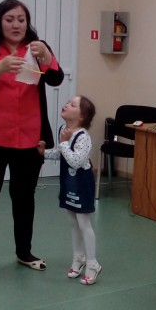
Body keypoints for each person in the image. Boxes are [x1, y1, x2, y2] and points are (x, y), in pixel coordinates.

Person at [0, 0, 64, 278]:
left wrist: (47, 57)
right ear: (0, 22)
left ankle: (24, 251)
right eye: (9, 19)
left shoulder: (36, 48)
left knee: (24, 198)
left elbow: (56, 78)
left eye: (21, 19)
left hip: (30, 139)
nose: (16, 24)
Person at [39, 95, 101, 284]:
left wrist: (65, 142)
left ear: (82, 116)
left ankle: (92, 263)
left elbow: (76, 161)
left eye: (73, 105)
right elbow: (62, 153)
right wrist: (44, 153)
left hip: (82, 184)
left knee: (83, 222)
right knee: (73, 221)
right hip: (68, 182)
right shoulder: (63, 130)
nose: (66, 105)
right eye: (68, 102)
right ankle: (78, 258)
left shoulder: (83, 137)